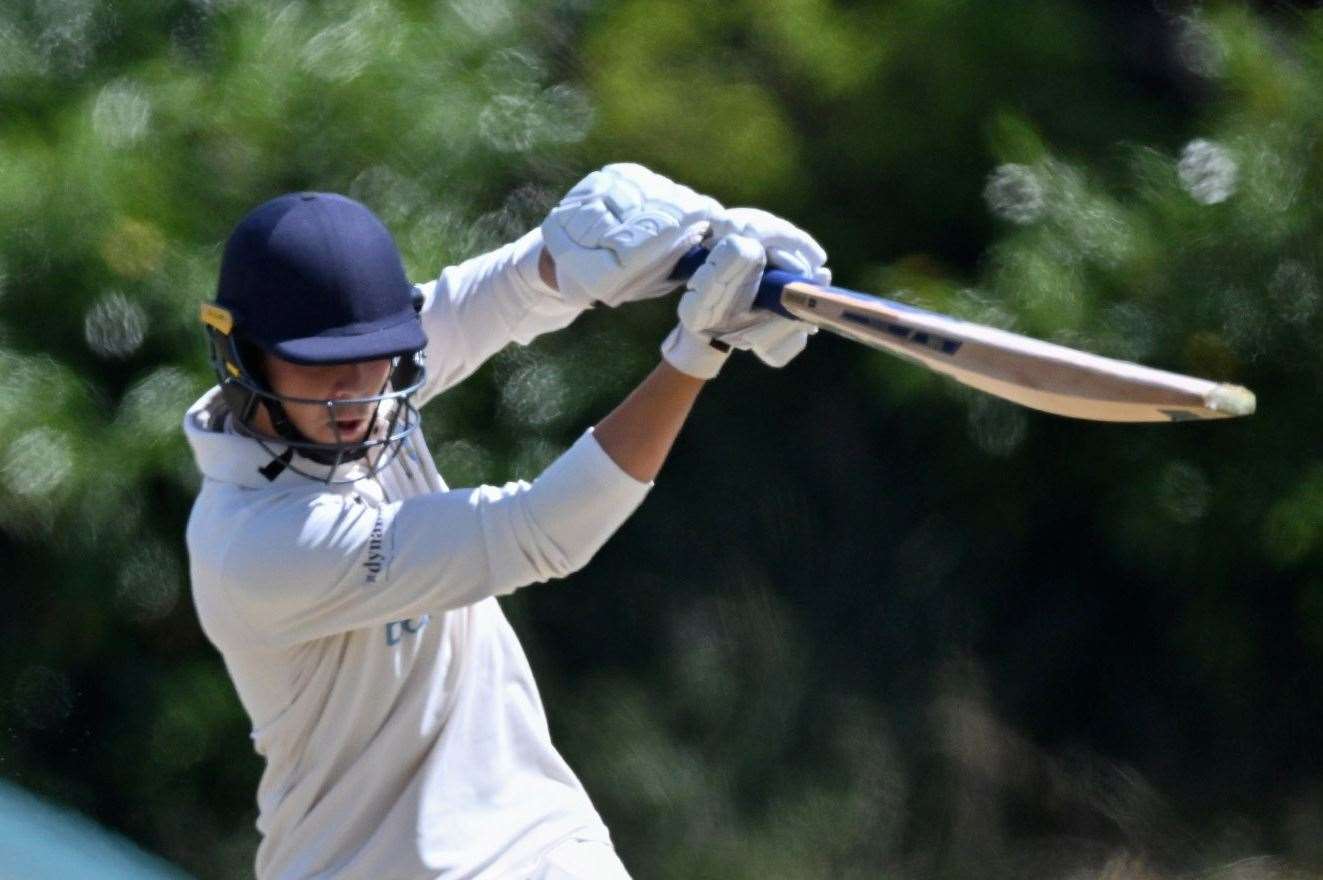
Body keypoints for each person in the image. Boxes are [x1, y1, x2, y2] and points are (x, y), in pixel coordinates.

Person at [183, 164, 830, 880]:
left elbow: (509, 290)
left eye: (369, 360)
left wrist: (676, 248)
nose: (353, 392)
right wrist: (696, 350)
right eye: (319, 367)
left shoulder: (358, 392)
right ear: (243, 359)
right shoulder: (255, 544)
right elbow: (539, 531)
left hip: (540, 846)